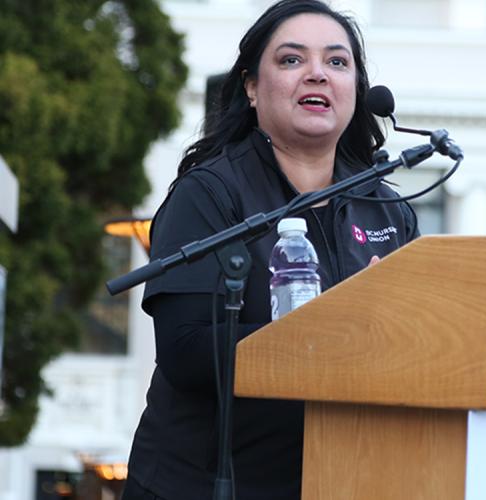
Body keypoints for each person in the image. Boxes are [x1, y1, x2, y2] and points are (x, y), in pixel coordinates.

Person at [121, 1, 419, 498]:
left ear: (357, 91)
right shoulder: (210, 192)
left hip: (335, 479)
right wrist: (336, 334)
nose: (318, 75)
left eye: (337, 62)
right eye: (291, 60)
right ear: (252, 88)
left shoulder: (387, 208)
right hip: (201, 484)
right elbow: (186, 352)